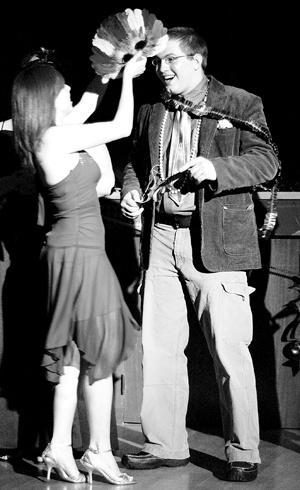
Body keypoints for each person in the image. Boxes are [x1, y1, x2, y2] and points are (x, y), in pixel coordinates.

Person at [120, 26, 280, 483]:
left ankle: (243, 450)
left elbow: (266, 161)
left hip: (218, 243)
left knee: (230, 350)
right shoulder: (152, 110)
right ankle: (165, 444)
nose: (161, 69)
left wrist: (217, 168)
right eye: (157, 62)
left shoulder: (239, 103)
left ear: (196, 60)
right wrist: (132, 191)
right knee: (161, 347)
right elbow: (134, 161)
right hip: (162, 239)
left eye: (169, 60)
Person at [11, 50, 146, 485]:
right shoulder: (52, 139)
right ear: (46, 98)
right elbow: (121, 126)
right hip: (80, 254)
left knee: (73, 360)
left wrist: (109, 68)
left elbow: (88, 102)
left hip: (74, 251)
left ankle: (59, 447)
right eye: (63, 88)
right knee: (99, 354)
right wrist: (127, 79)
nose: (71, 91)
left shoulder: (58, 132)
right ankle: (99, 452)